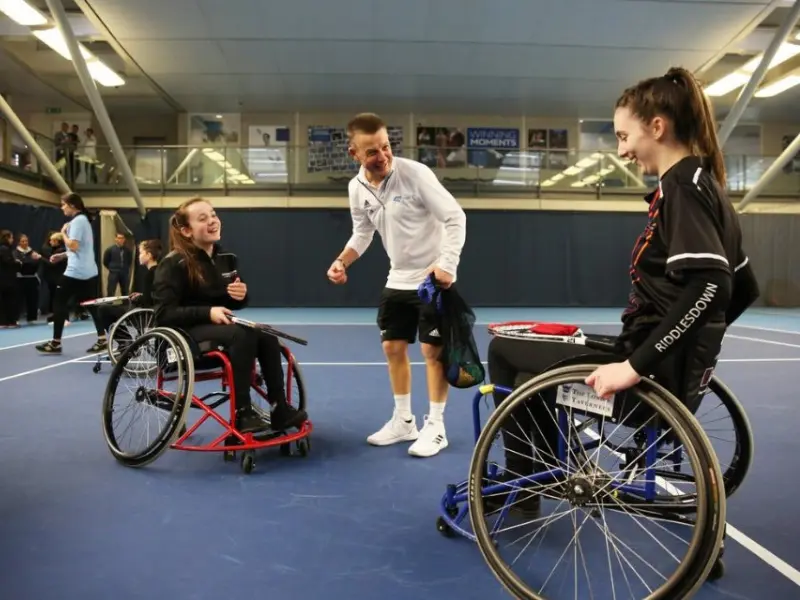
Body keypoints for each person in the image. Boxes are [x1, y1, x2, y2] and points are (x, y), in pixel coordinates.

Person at [486, 66, 760, 515]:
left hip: (647, 383)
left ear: (657, 127)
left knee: (503, 351)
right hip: (670, 375)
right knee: (527, 368)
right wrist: (691, 345)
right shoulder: (706, 186)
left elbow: (712, 286)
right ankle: (539, 473)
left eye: (623, 136)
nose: (621, 150)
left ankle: (529, 483)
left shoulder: (682, 189)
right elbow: (744, 288)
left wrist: (635, 366)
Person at [326, 113, 467, 458]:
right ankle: (404, 422)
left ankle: (436, 427)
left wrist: (447, 265)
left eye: (386, 147)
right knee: (392, 347)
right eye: (372, 151)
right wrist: (342, 261)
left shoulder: (415, 174)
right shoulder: (356, 188)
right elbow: (363, 232)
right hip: (398, 278)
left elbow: (455, 217)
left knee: (433, 352)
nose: (383, 156)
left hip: (432, 280)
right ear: (354, 154)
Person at [152, 197, 307, 434]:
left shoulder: (225, 258)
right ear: (186, 231)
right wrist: (208, 312)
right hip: (183, 336)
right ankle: (242, 413)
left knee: (265, 334)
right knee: (240, 336)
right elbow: (163, 314)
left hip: (216, 330)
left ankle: (279, 408)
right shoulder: (173, 264)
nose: (212, 221)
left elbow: (230, 302)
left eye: (213, 215)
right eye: (202, 218)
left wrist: (240, 296)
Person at [36, 193, 99, 354]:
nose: (62, 207)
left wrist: (63, 233)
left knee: (59, 302)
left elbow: (74, 245)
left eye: (64, 204)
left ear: (72, 205)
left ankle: (56, 343)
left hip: (76, 271)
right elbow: (81, 248)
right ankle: (103, 339)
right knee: (92, 305)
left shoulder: (77, 222)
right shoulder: (83, 220)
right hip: (88, 271)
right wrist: (63, 255)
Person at [85, 239, 162, 353]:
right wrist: (141, 295)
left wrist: (138, 298)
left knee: (103, 310)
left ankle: (125, 342)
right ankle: (126, 342)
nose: (139, 256)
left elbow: (147, 300)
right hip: (150, 313)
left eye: (141, 253)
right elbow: (155, 294)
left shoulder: (150, 274)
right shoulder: (160, 271)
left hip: (143, 315)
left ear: (149, 255)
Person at [0, 230, 21, 328]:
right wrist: (17, 262)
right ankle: (10, 321)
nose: (12, 240)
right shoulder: (4, 249)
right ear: (7, 238)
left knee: (4, 301)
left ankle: (3, 322)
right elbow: (8, 262)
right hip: (7, 279)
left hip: (4, 278)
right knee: (10, 300)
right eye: (11, 237)